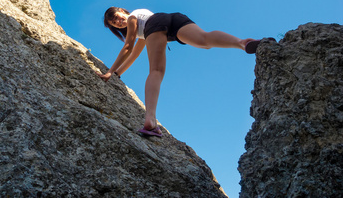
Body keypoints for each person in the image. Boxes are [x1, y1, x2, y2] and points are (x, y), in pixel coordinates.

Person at [96, 7, 260, 137]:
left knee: (156, 71)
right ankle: (242, 43)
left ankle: (150, 121)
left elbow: (128, 47)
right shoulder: (141, 24)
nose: (118, 22)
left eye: (117, 17)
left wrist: (109, 72)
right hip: (173, 19)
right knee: (204, 40)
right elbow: (134, 54)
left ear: (123, 11)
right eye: (115, 24)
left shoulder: (132, 17)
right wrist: (118, 73)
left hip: (157, 25)